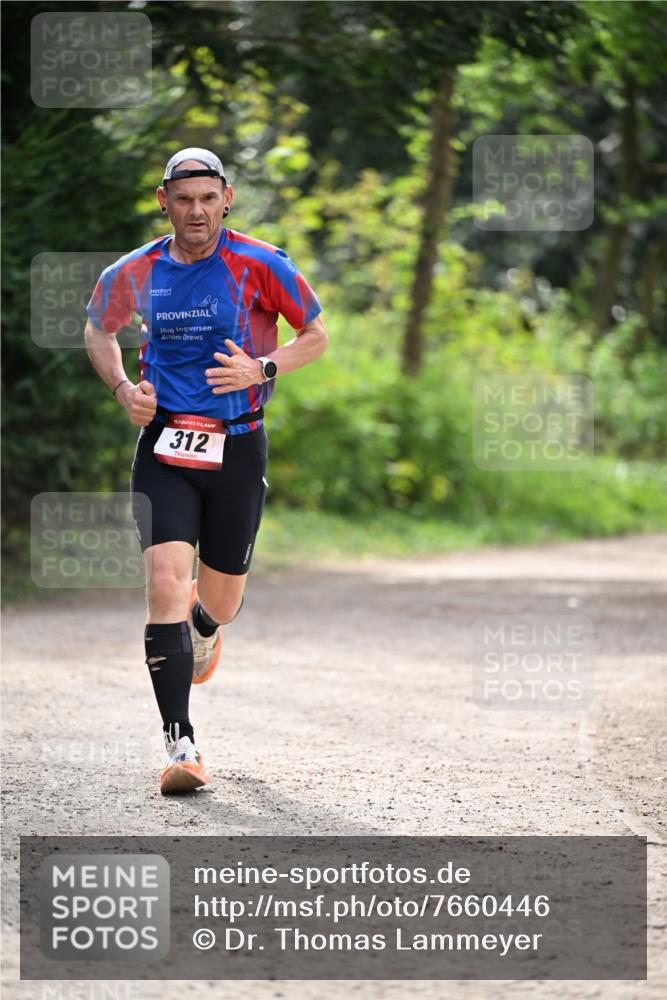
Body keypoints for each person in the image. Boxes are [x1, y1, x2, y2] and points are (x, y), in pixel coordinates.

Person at [84, 147, 327, 794]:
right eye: (183, 199)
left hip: (238, 446)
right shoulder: (134, 271)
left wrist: (263, 367)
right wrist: (121, 391)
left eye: (207, 198)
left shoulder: (261, 263)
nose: (196, 211)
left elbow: (315, 334)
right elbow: (98, 329)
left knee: (220, 601)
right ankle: (180, 745)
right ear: (163, 201)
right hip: (164, 447)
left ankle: (204, 626)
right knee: (165, 579)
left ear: (227, 199)